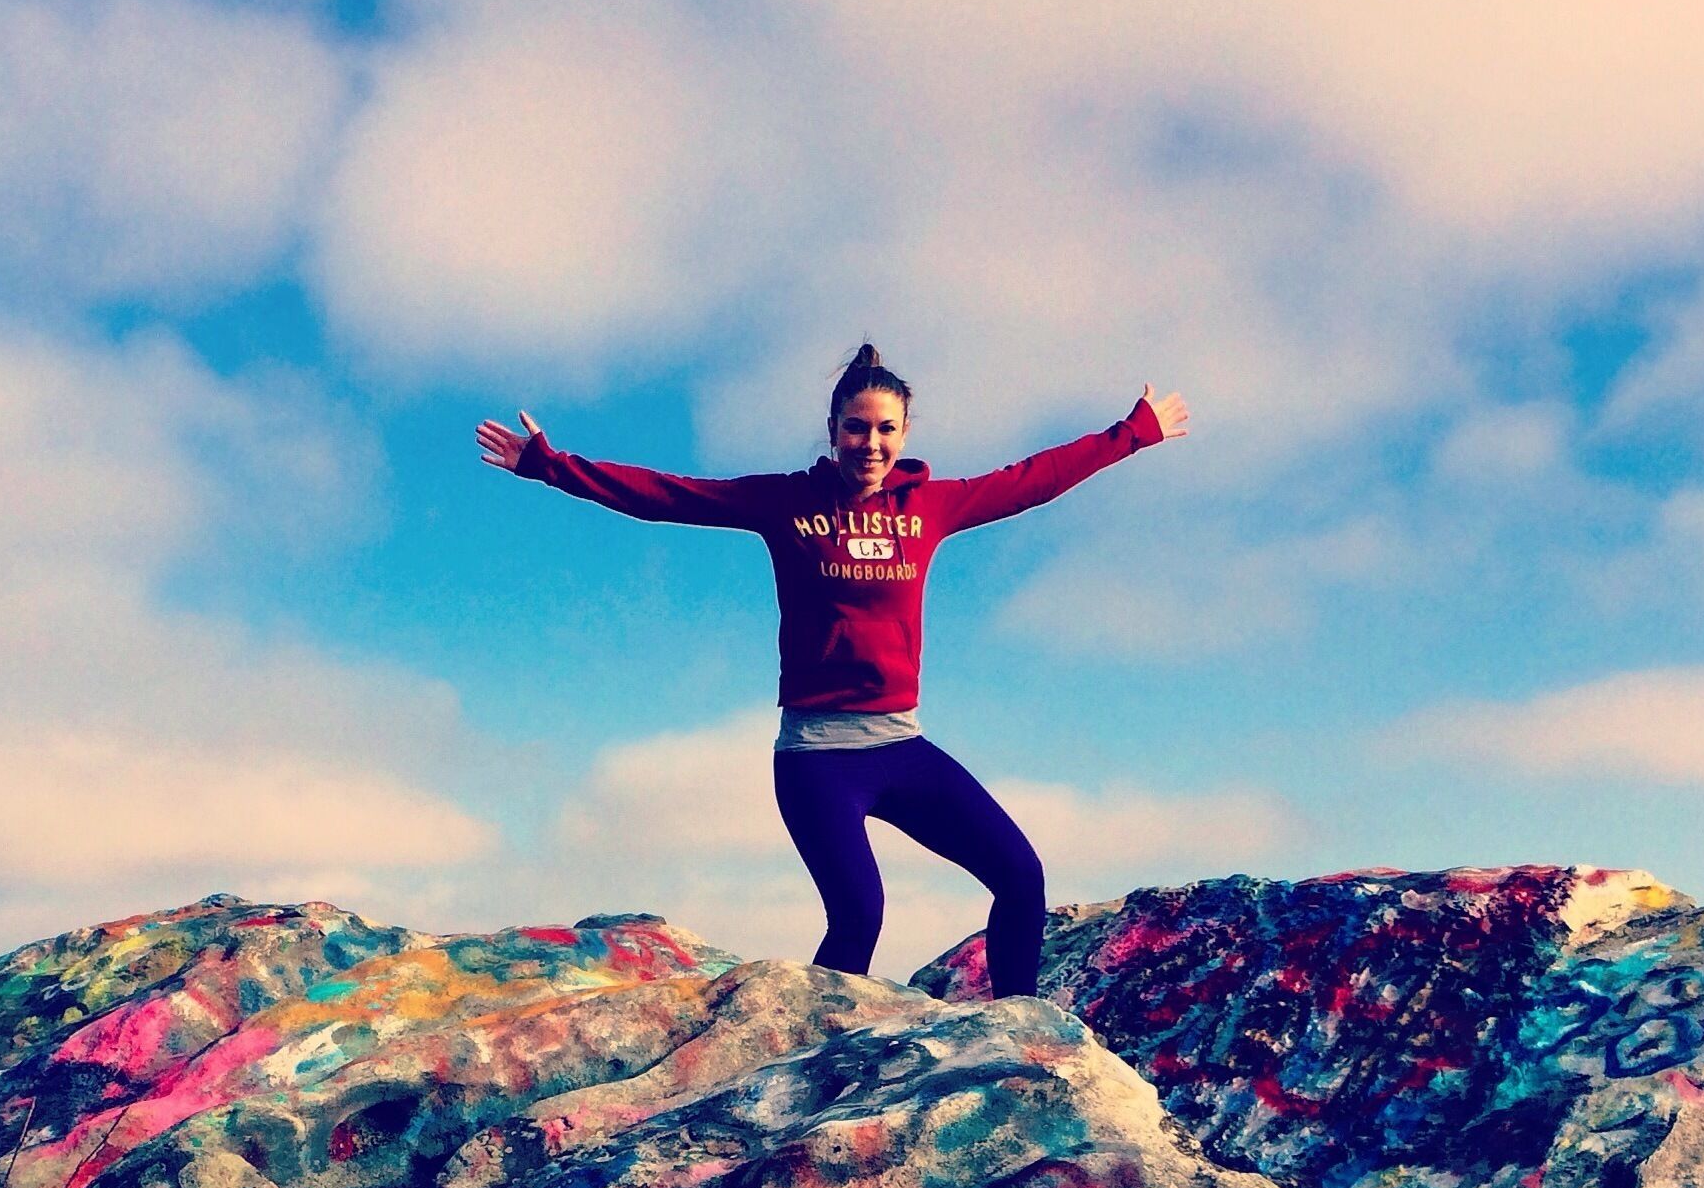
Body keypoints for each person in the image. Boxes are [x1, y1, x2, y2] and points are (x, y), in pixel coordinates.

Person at [477, 343, 1189, 997]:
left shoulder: (933, 508)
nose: (870, 444)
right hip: (817, 759)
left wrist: (1135, 431)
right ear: (833, 428)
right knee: (859, 913)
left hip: (900, 746)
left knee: (1020, 876)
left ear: (904, 435)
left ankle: (1016, 1032)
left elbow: (1034, 479)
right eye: (856, 427)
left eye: (885, 430)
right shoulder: (785, 502)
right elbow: (666, 496)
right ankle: (806, 1063)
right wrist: (549, 465)